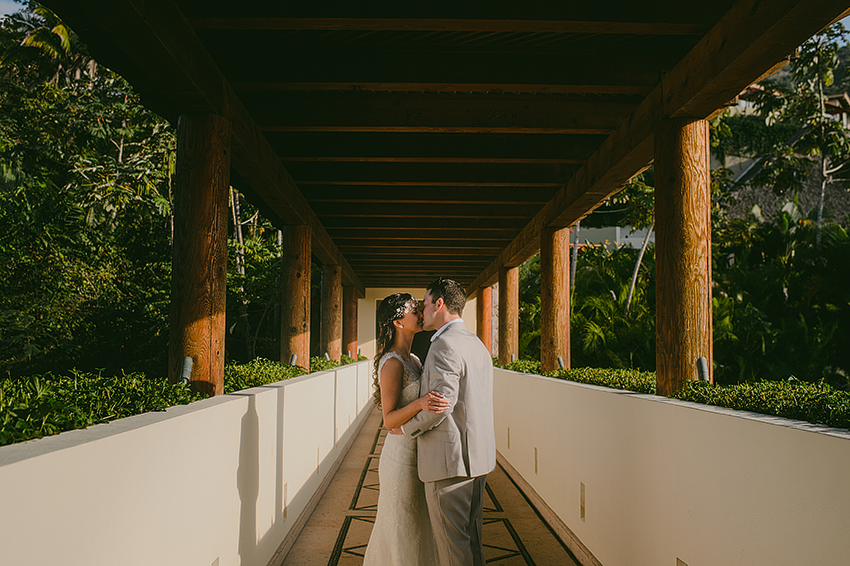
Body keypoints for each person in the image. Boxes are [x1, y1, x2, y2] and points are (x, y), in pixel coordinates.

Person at [401, 277, 497, 566]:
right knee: (472, 545)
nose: (423, 310)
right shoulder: (476, 343)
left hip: (450, 465)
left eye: (426, 303)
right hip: (478, 461)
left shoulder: (443, 344)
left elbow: (440, 404)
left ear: (439, 303)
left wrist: (406, 427)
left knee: (453, 550)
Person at [363, 293, 449, 566]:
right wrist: (422, 403)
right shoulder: (392, 363)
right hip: (399, 458)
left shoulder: (413, 358)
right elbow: (388, 420)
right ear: (398, 322)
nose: (421, 315)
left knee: (419, 525)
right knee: (402, 525)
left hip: (418, 452)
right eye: (414, 311)